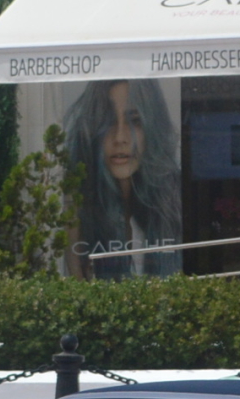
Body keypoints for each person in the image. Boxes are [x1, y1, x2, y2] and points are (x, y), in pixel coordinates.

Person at [65, 79, 183, 278]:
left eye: (134, 121)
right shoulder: (79, 208)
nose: (120, 137)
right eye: (108, 121)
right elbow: (78, 287)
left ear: (152, 127)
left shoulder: (173, 204)